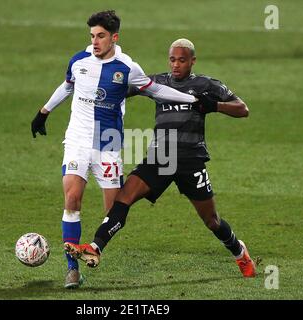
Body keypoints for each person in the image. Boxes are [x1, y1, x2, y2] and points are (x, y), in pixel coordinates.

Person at [31, 12, 201, 289]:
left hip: (108, 144)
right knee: (72, 199)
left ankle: (95, 248)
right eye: (92, 36)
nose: (95, 42)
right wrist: (44, 111)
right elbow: (67, 86)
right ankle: (72, 270)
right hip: (78, 140)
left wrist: (191, 98)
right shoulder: (79, 60)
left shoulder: (127, 67)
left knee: (114, 210)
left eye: (100, 36)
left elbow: (156, 90)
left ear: (114, 37)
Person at [64, 38, 256, 278]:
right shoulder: (159, 82)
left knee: (212, 221)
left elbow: (242, 109)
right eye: (173, 60)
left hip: (190, 160)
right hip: (161, 158)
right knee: (123, 198)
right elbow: (123, 89)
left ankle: (239, 252)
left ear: (192, 61)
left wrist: (215, 106)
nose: (176, 65)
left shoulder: (206, 84)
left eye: (182, 60)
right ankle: (95, 247)